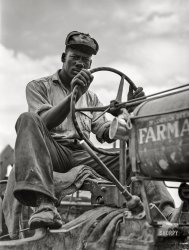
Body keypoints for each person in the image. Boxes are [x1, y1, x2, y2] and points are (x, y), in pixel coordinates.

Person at [13, 31, 175, 230]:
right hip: (50, 151)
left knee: (136, 156)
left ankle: (166, 215)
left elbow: (106, 132)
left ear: (90, 65)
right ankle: (45, 206)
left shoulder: (91, 99)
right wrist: (73, 95)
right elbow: (43, 121)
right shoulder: (39, 87)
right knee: (26, 119)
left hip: (81, 153)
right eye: (75, 58)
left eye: (86, 60)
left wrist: (129, 110)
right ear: (63, 58)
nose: (80, 63)